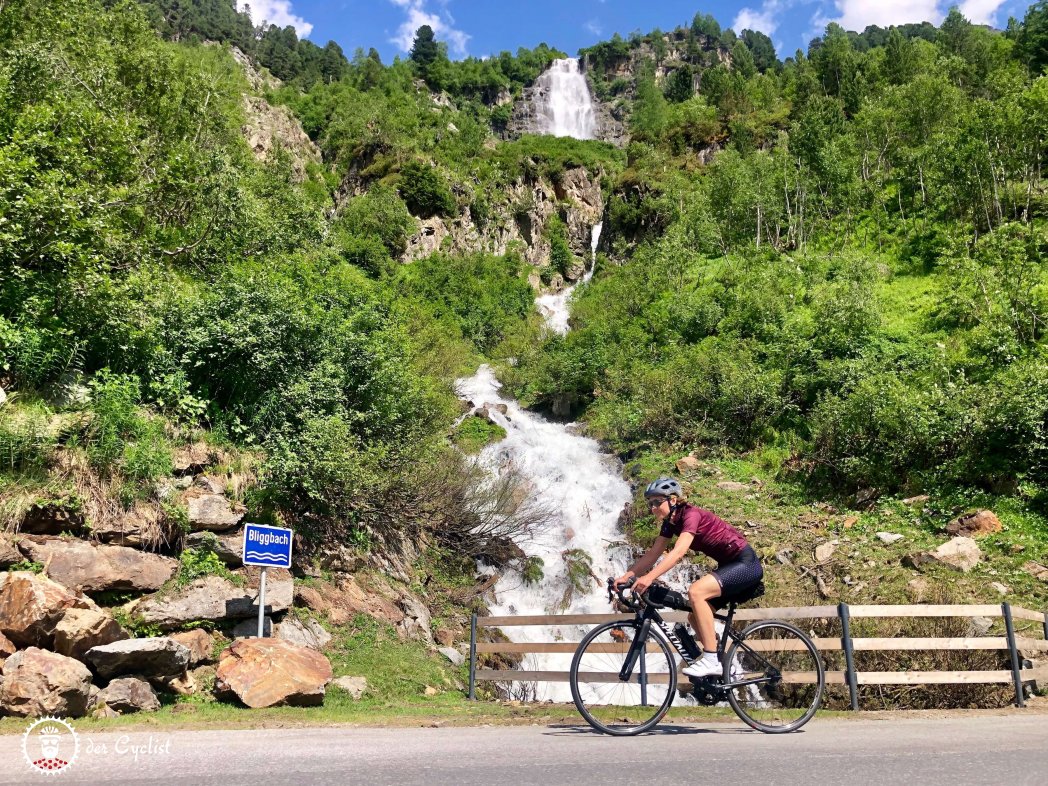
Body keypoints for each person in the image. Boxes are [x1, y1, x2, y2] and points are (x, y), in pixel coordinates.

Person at [614, 476, 763, 678]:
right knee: (695, 616)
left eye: (657, 502)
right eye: (650, 504)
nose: (653, 508)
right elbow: (653, 554)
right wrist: (627, 576)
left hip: (746, 564)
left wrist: (648, 578)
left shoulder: (690, 515)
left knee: (696, 592)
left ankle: (711, 660)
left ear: (673, 500)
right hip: (730, 566)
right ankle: (726, 667)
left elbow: (677, 553)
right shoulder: (670, 523)